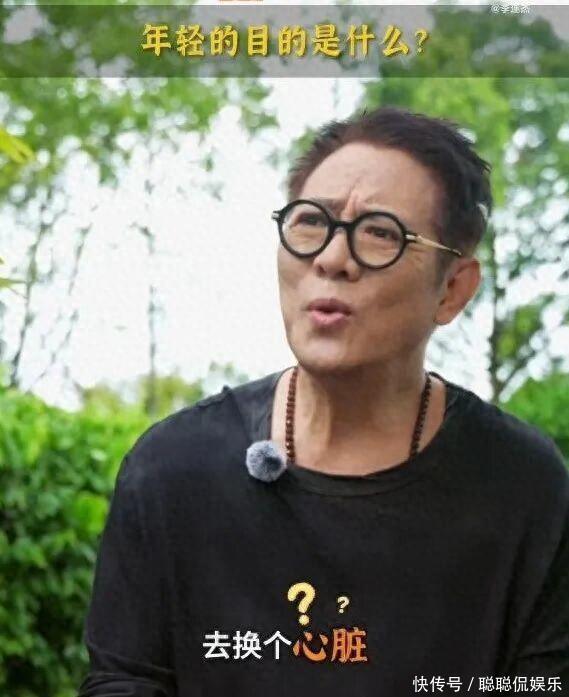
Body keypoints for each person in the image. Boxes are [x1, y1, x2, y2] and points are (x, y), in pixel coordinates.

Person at [77, 106, 569, 697]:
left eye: (381, 233)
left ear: (453, 289)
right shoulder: (172, 470)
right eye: (311, 222)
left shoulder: (523, 487)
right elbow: (123, 681)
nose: (332, 258)